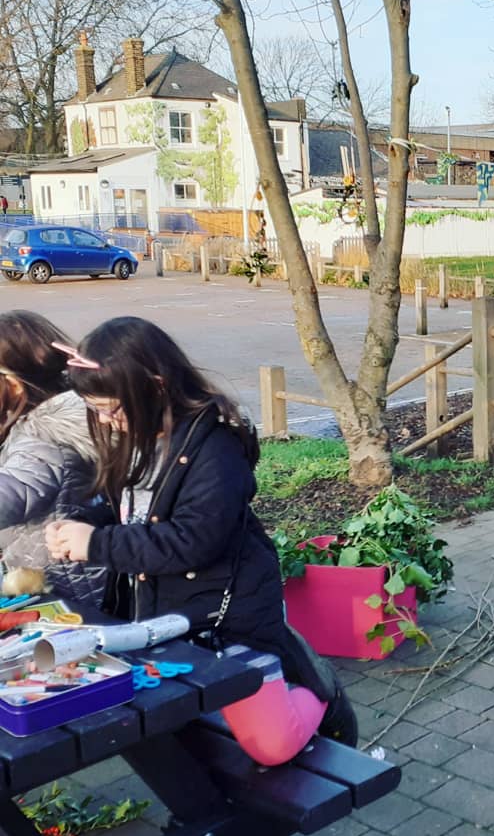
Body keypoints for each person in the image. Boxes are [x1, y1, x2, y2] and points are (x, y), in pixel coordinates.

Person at [44, 317, 357, 757]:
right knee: (173, 731)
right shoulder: (137, 437)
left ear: (154, 387)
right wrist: (84, 522)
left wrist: (96, 544)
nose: (107, 422)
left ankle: (321, 697)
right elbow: (130, 510)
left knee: (271, 746)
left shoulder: (216, 449)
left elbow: (192, 540)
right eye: (95, 410)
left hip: (233, 617)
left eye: (112, 408)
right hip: (169, 615)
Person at [0, 311, 107, 613]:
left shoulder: (45, 435)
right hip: (45, 576)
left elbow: (15, 492)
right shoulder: (25, 425)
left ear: (15, 384)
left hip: (70, 588)